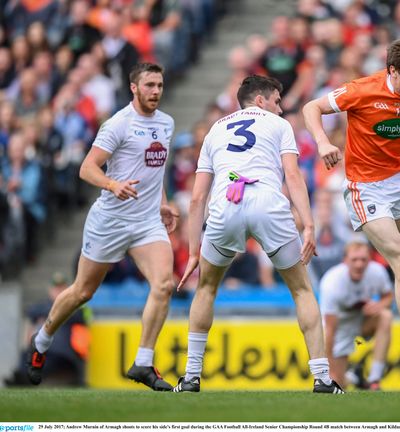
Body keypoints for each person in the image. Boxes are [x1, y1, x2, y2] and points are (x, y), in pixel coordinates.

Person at [303, 37, 400, 383]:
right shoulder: (362, 90)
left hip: (398, 183)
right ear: (392, 70)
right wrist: (322, 141)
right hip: (364, 187)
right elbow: (310, 108)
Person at [173, 75, 343, 394]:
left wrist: (194, 250)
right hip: (267, 201)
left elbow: (196, 198)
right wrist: (308, 224)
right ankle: (322, 378)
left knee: (207, 288)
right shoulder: (279, 126)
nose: (280, 109)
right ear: (261, 101)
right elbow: (292, 175)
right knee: (303, 290)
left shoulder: (214, 130)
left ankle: (192, 376)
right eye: (277, 101)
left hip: (226, 202)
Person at [26, 63, 179, 391]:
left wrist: (163, 200)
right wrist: (112, 185)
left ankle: (143, 362)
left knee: (164, 284)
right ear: (134, 88)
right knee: (82, 291)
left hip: (147, 221)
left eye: (160, 85)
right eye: (149, 85)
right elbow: (86, 168)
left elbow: (155, 167)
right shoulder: (118, 125)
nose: (156, 91)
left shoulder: (165, 123)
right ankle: (41, 340)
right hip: (110, 220)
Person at [320, 238, 393, 390]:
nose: (359, 264)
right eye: (354, 260)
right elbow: (330, 329)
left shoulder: (377, 272)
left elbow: (388, 296)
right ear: (345, 260)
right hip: (339, 326)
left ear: (370, 259)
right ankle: (353, 377)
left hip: (361, 320)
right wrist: (330, 370)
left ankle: (374, 379)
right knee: (338, 382)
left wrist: (378, 305)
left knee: (385, 316)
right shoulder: (332, 282)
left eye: (363, 259)